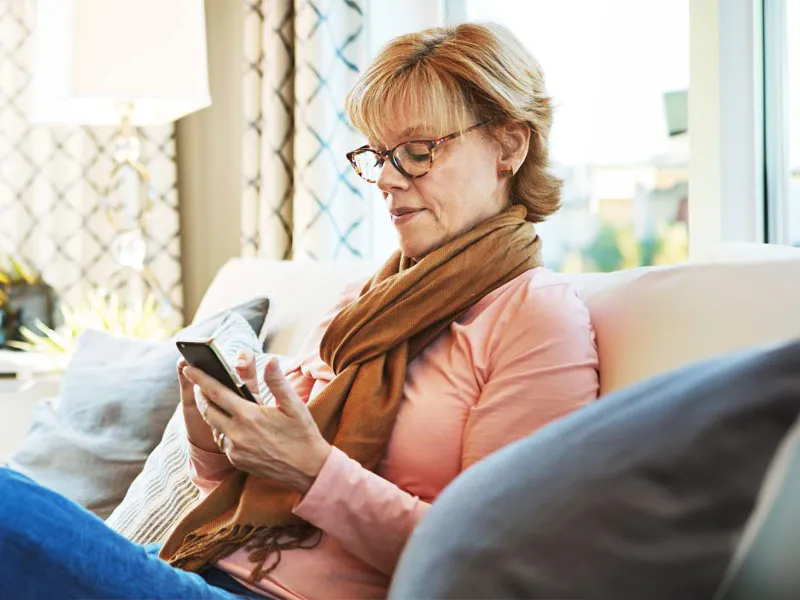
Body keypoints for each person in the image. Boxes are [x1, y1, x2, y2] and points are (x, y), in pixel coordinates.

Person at [0, 22, 599, 600]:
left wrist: (315, 472)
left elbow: (496, 566)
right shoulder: (367, 300)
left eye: (417, 152)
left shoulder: (535, 318)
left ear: (509, 145)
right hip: (206, 568)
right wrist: (213, 439)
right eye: (379, 155)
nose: (386, 180)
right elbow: (246, 496)